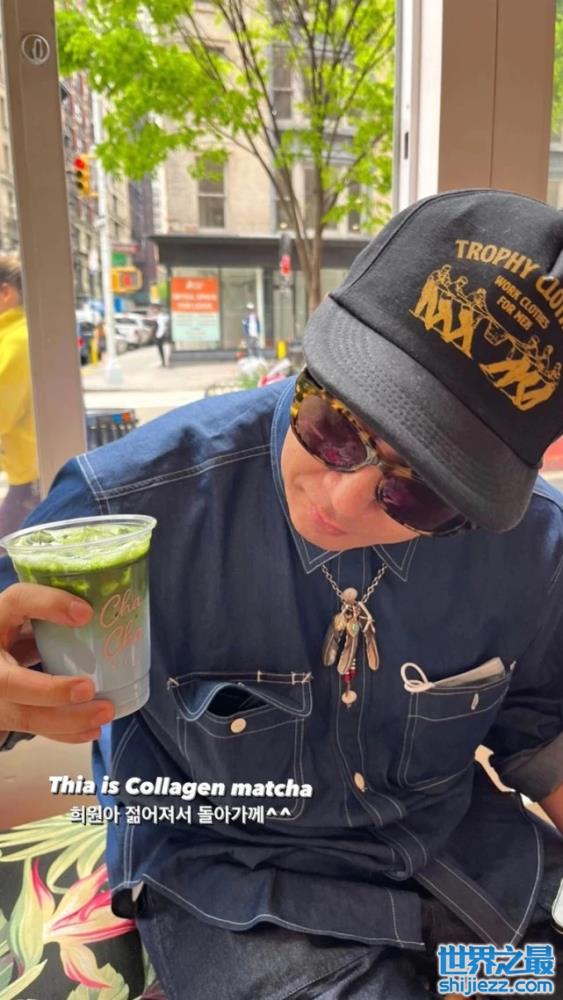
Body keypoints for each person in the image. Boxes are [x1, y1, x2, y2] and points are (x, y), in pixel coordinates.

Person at [0, 189, 562, 999]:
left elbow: (542, 729)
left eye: (422, 491)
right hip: (244, 900)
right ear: (311, 359)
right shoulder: (126, 507)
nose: (341, 499)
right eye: (333, 426)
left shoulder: (532, 546)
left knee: (533, 984)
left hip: (468, 883)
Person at [0, 255, 39, 541]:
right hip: (28, 473)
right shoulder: (18, 334)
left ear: (5, 293)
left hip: (31, 477)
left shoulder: (15, 340)